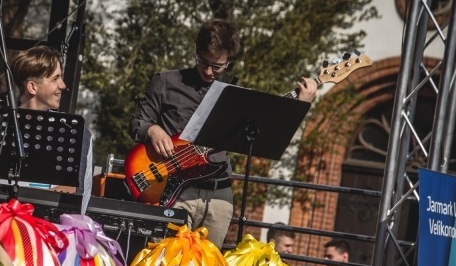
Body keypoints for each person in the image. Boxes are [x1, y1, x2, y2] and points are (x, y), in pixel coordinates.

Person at [129, 19, 318, 249]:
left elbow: (268, 131)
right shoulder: (166, 82)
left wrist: (300, 106)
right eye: (203, 62)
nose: (209, 71)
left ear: (228, 60)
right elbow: (137, 122)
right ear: (197, 52)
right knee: (167, 263)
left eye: (217, 66)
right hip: (176, 191)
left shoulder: (234, 96)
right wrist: (153, 129)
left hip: (219, 196)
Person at [10, 45, 93, 204]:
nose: (62, 85)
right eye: (55, 79)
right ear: (32, 87)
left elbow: (73, 190)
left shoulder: (72, 131)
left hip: (46, 224)